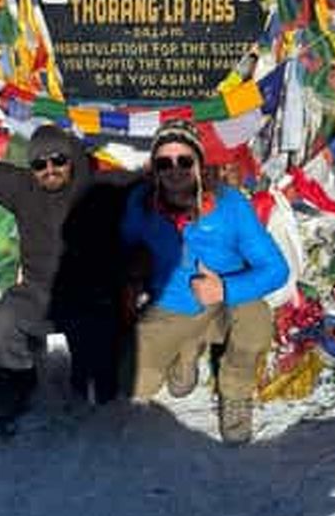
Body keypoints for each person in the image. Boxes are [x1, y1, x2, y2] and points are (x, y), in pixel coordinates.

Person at [121, 119, 289, 445]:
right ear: (154, 167)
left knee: (256, 323)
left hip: (227, 302)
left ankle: (235, 394)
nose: (174, 170)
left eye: (184, 160)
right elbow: (124, 248)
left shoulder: (231, 205)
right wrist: (130, 280)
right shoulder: (141, 203)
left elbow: (276, 269)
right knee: (133, 382)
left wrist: (225, 289)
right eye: (164, 162)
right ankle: (186, 352)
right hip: (171, 307)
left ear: (199, 164)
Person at [0, 124, 100, 434]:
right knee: (1, 322)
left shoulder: (99, 191)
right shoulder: (22, 187)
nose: (50, 169)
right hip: (37, 293)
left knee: (101, 383)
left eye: (58, 160)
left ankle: (91, 375)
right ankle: (18, 378)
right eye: (40, 164)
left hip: (87, 298)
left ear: (71, 160)